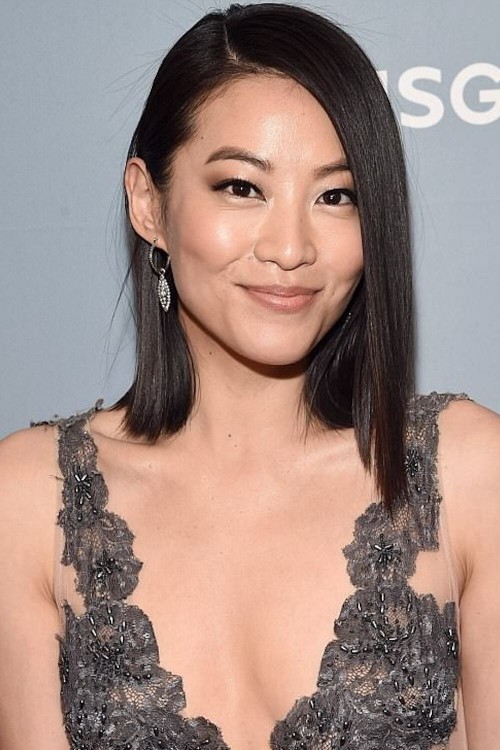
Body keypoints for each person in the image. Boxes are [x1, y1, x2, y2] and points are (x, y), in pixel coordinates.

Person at [0, 3, 498, 748]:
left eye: (335, 196)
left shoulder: (468, 475)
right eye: (242, 187)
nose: (290, 248)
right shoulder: (27, 500)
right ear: (148, 202)